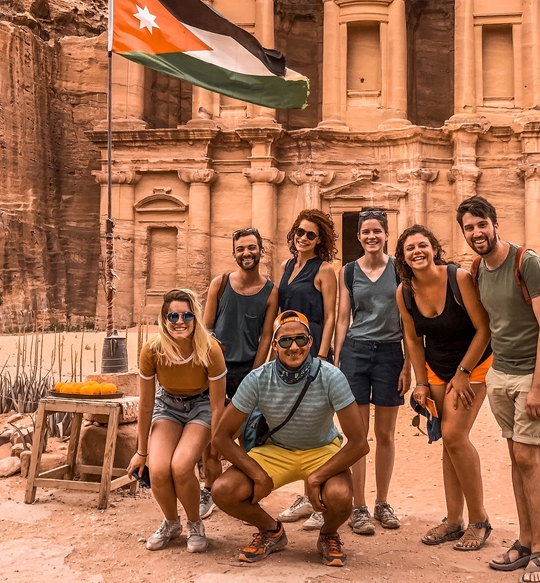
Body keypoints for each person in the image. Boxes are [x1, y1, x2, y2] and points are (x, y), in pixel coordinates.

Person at [457, 196, 540, 583]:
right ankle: (524, 541)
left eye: (481, 224)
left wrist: (538, 387)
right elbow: (488, 325)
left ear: (494, 223)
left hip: (534, 375)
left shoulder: (527, 262)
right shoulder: (478, 269)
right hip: (501, 373)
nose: (476, 233)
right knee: (516, 456)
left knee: (527, 457)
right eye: (469, 228)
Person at [211, 310, 369, 567]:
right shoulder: (258, 379)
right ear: (274, 345)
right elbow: (221, 437)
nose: (293, 347)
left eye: (300, 339)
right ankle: (271, 531)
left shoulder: (331, 376)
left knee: (340, 496)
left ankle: (329, 534)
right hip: (277, 450)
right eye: (285, 341)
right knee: (223, 491)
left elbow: (359, 442)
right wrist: (257, 474)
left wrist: (317, 476)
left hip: (321, 449)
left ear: (310, 342)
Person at [394, 225, 494, 552]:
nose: (417, 252)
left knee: (453, 435)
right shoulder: (404, 291)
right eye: (410, 248)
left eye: (423, 245)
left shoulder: (459, 279)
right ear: (403, 257)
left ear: (434, 248)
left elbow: (484, 329)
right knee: (448, 442)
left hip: (474, 361)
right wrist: (420, 381)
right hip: (436, 368)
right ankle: (454, 521)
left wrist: (464, 372)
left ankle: (479, 520)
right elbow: (412, 338)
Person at [127, 288, 227, 554]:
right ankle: (172, 523)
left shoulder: (210, 349)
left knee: (181, 467)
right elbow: (146, 404)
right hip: (167, 407)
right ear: (164, 318)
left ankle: (195, 524)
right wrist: (141, 451)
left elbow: (218, 405)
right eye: (173, 316)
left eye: (186, 315)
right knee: (158, 470)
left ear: (195, 317)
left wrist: (214, 452)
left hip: (201, 407)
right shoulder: (152, 350)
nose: (180, 321)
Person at [334, 209, 409, 535]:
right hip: (356, 352)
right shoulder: (348, 272)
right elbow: (342, 317)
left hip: (391, 353)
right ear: (359, 236)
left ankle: (383, 502)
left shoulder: (401, 269)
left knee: (386, 435)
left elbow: (409, 319)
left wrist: (408, 363)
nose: (371, 236)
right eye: (366, 232)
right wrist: (336, 361)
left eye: (377, 231)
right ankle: (359, 506)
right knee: (357, 436)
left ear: (386, 234)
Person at [198, 227, 279, 519]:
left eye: (251, 248)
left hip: (249, 370)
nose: (246, 253)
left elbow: (267, 337)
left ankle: (243, 489)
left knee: (248, 435)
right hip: (218, 368)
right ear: (234, 253)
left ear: (261, 250)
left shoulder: (271, 291)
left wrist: (256, 375)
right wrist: (212, 360)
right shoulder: (219, 284)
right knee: (213, 431)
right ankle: (209, 488)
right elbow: (206, 329)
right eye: (241, 248)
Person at [277, 208, 338, 530]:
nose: (303, 238)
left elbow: (330, 314)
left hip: (310, 348)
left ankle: (320, 502)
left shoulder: (325, 270)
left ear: (320, 239)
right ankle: (307, 495)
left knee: (316, 422)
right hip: (288, 348)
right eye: (299, 232)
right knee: (298, 422)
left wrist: (324, 355)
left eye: (310, 234)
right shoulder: (287, 266)